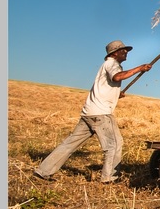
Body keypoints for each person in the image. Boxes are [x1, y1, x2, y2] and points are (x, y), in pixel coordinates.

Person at [33, 40, 151, 184]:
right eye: (123, 50)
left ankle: (43, 171)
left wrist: (116, 93)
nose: (126, 52)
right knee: (114, 145)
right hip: (101, 114)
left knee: (69, 144)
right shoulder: (112, 64)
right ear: (114, 53)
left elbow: (105, 85)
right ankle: (109, 179)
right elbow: (117, 77)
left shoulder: (107, 66)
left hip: (89, 113)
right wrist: (140, 68)